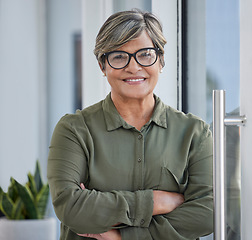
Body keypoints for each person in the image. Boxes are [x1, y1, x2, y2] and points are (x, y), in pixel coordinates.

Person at [47, 9, 213, 240]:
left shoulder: (195, 133)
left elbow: (207, 214)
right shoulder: (74, 130)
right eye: (118, 56)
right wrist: (155, 202)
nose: (133, 67)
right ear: (102, 66)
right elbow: (71, 209)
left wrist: (120, 236)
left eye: (145, 54)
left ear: (161, 60)